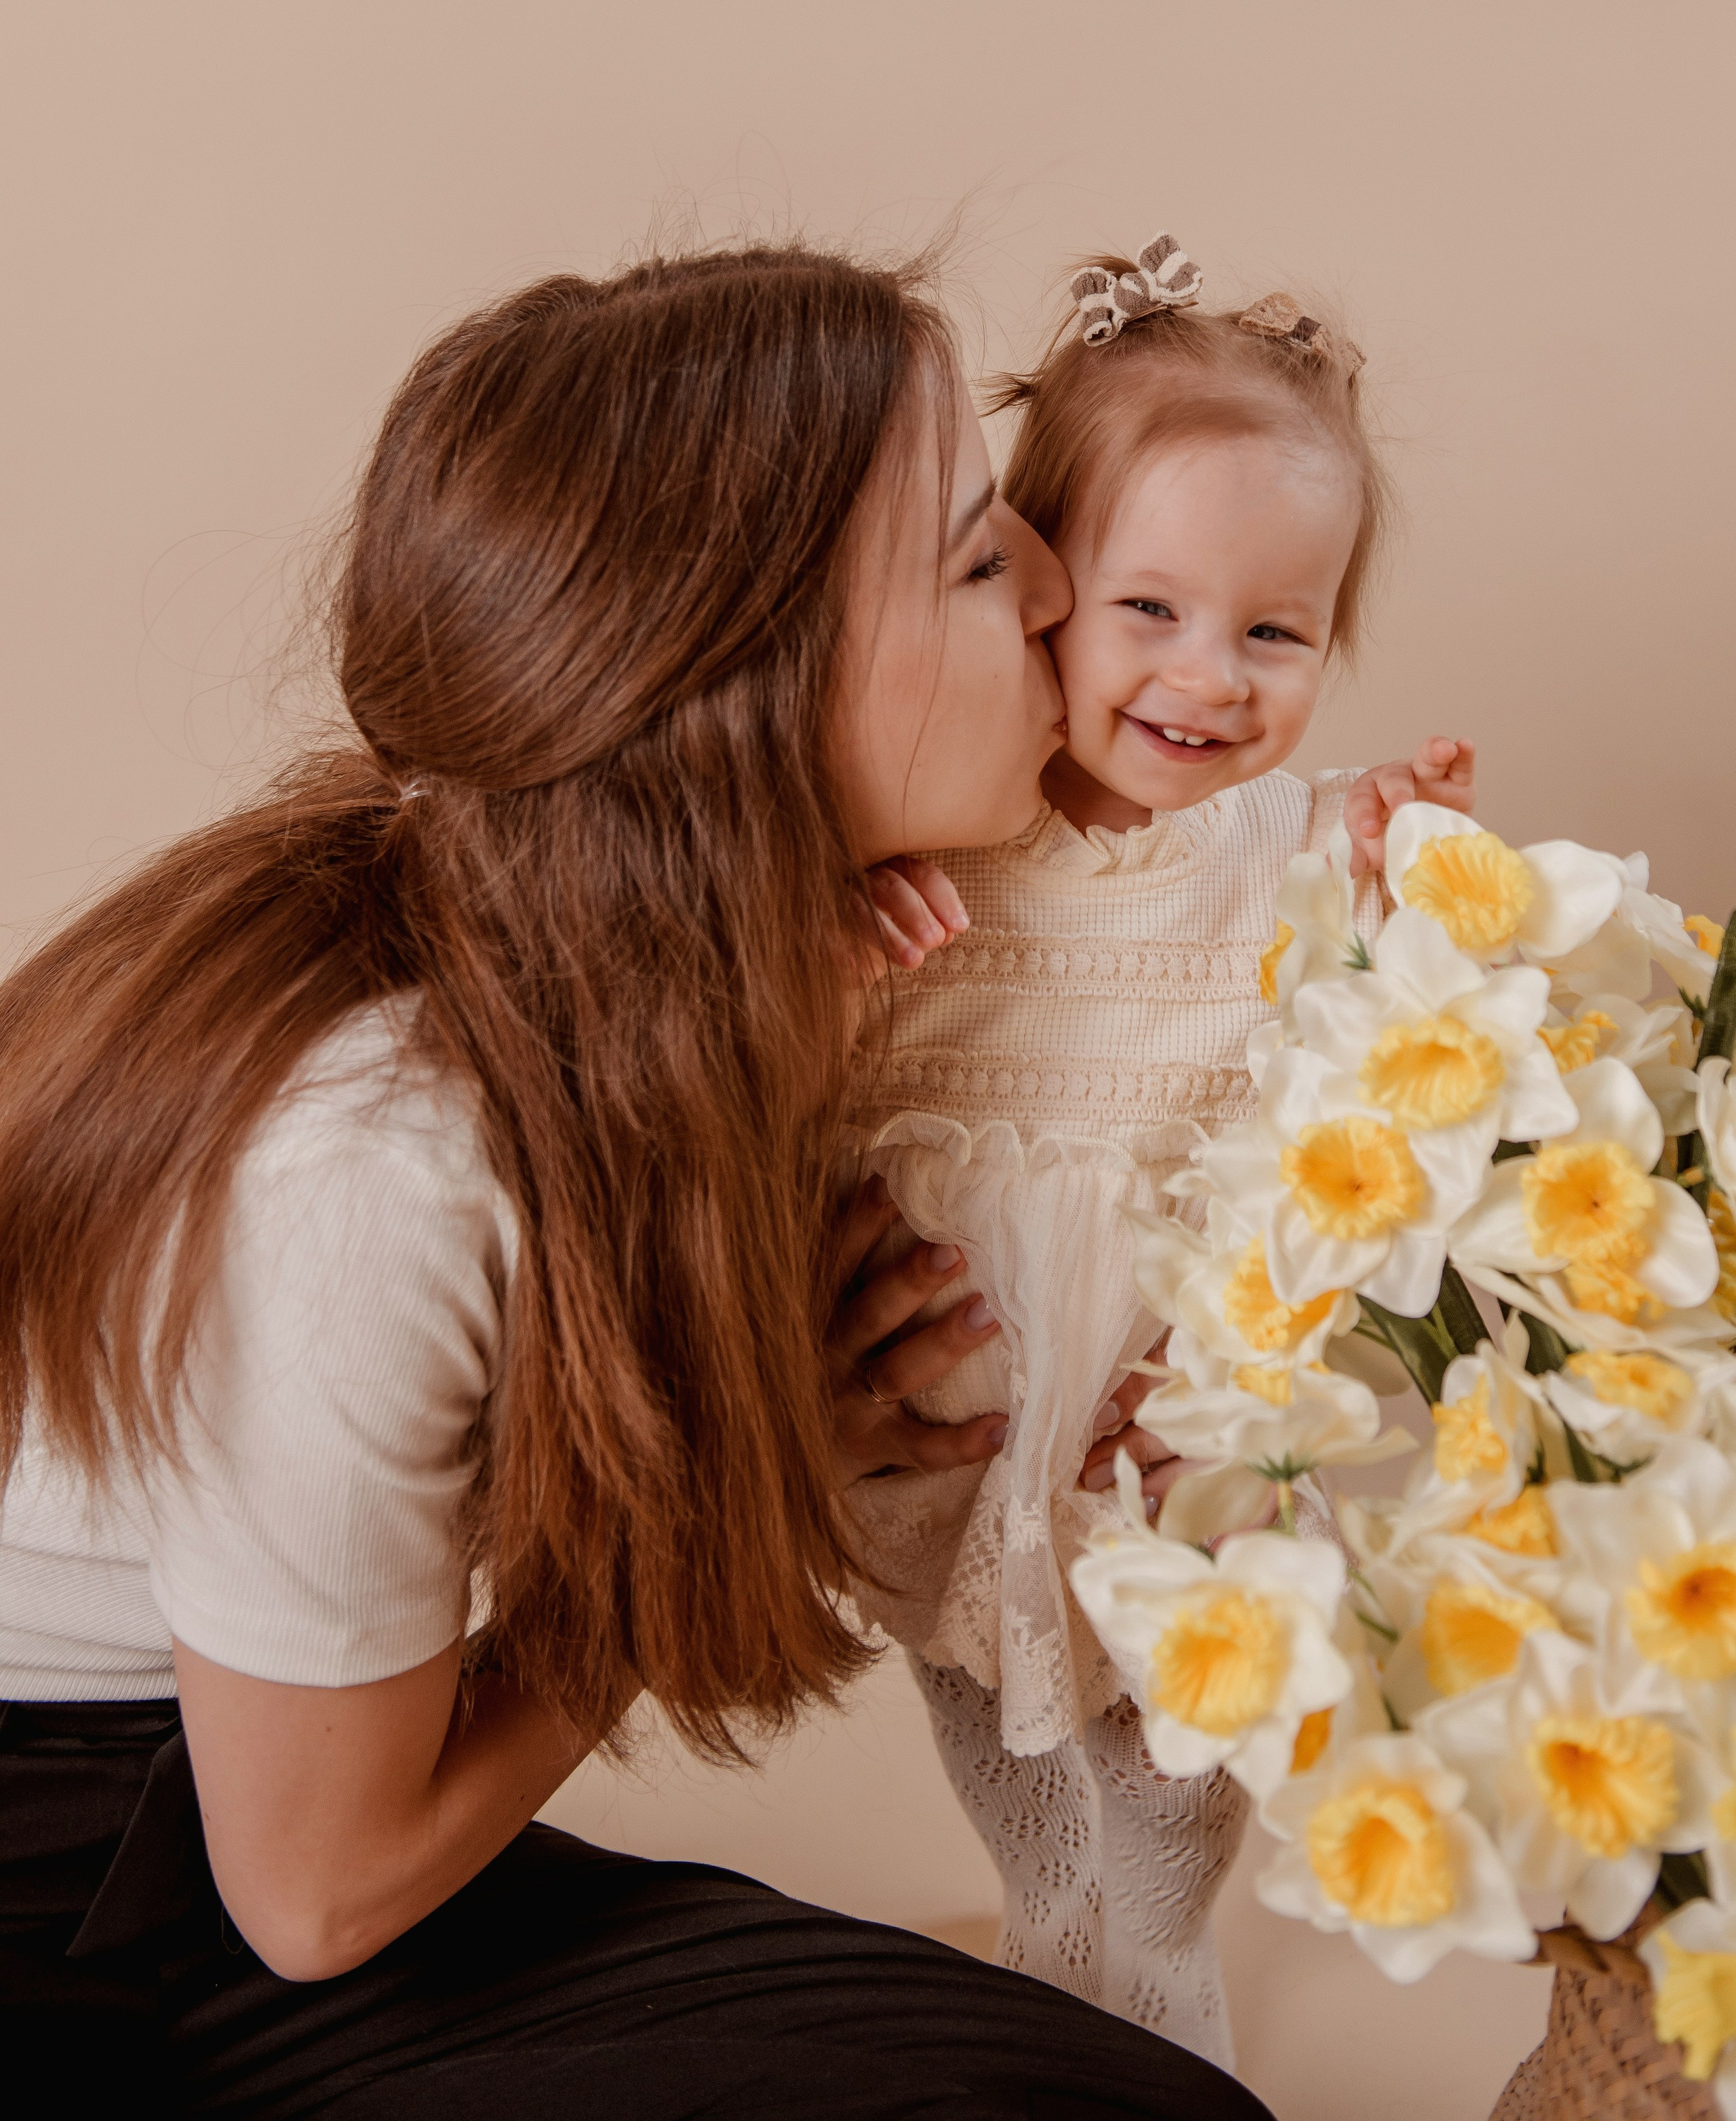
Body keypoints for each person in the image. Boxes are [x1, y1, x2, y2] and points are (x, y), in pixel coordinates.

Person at [0, 245, 1271, 2118]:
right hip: (101, 1859)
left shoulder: (680, 974)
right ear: (759, 692)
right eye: (974, 558)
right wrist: (768, 1445)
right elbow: (318, 1895)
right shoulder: (381, 1160)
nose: (1058, 585)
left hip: (233, 1793)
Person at [844, 234, 1476, 2062]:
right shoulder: (937, 834)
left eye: (1277, 631)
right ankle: (1049, 1932)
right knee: (991, 1701)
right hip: (963, 1396)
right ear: (1039, 590)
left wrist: (1397, 861)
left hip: (1180, 1402)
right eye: (1153, 610)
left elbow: (1387, 1029)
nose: (1212, 677)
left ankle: (1160, 1967)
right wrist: (835, 915)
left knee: (1184, 1740)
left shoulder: (1284, 843)